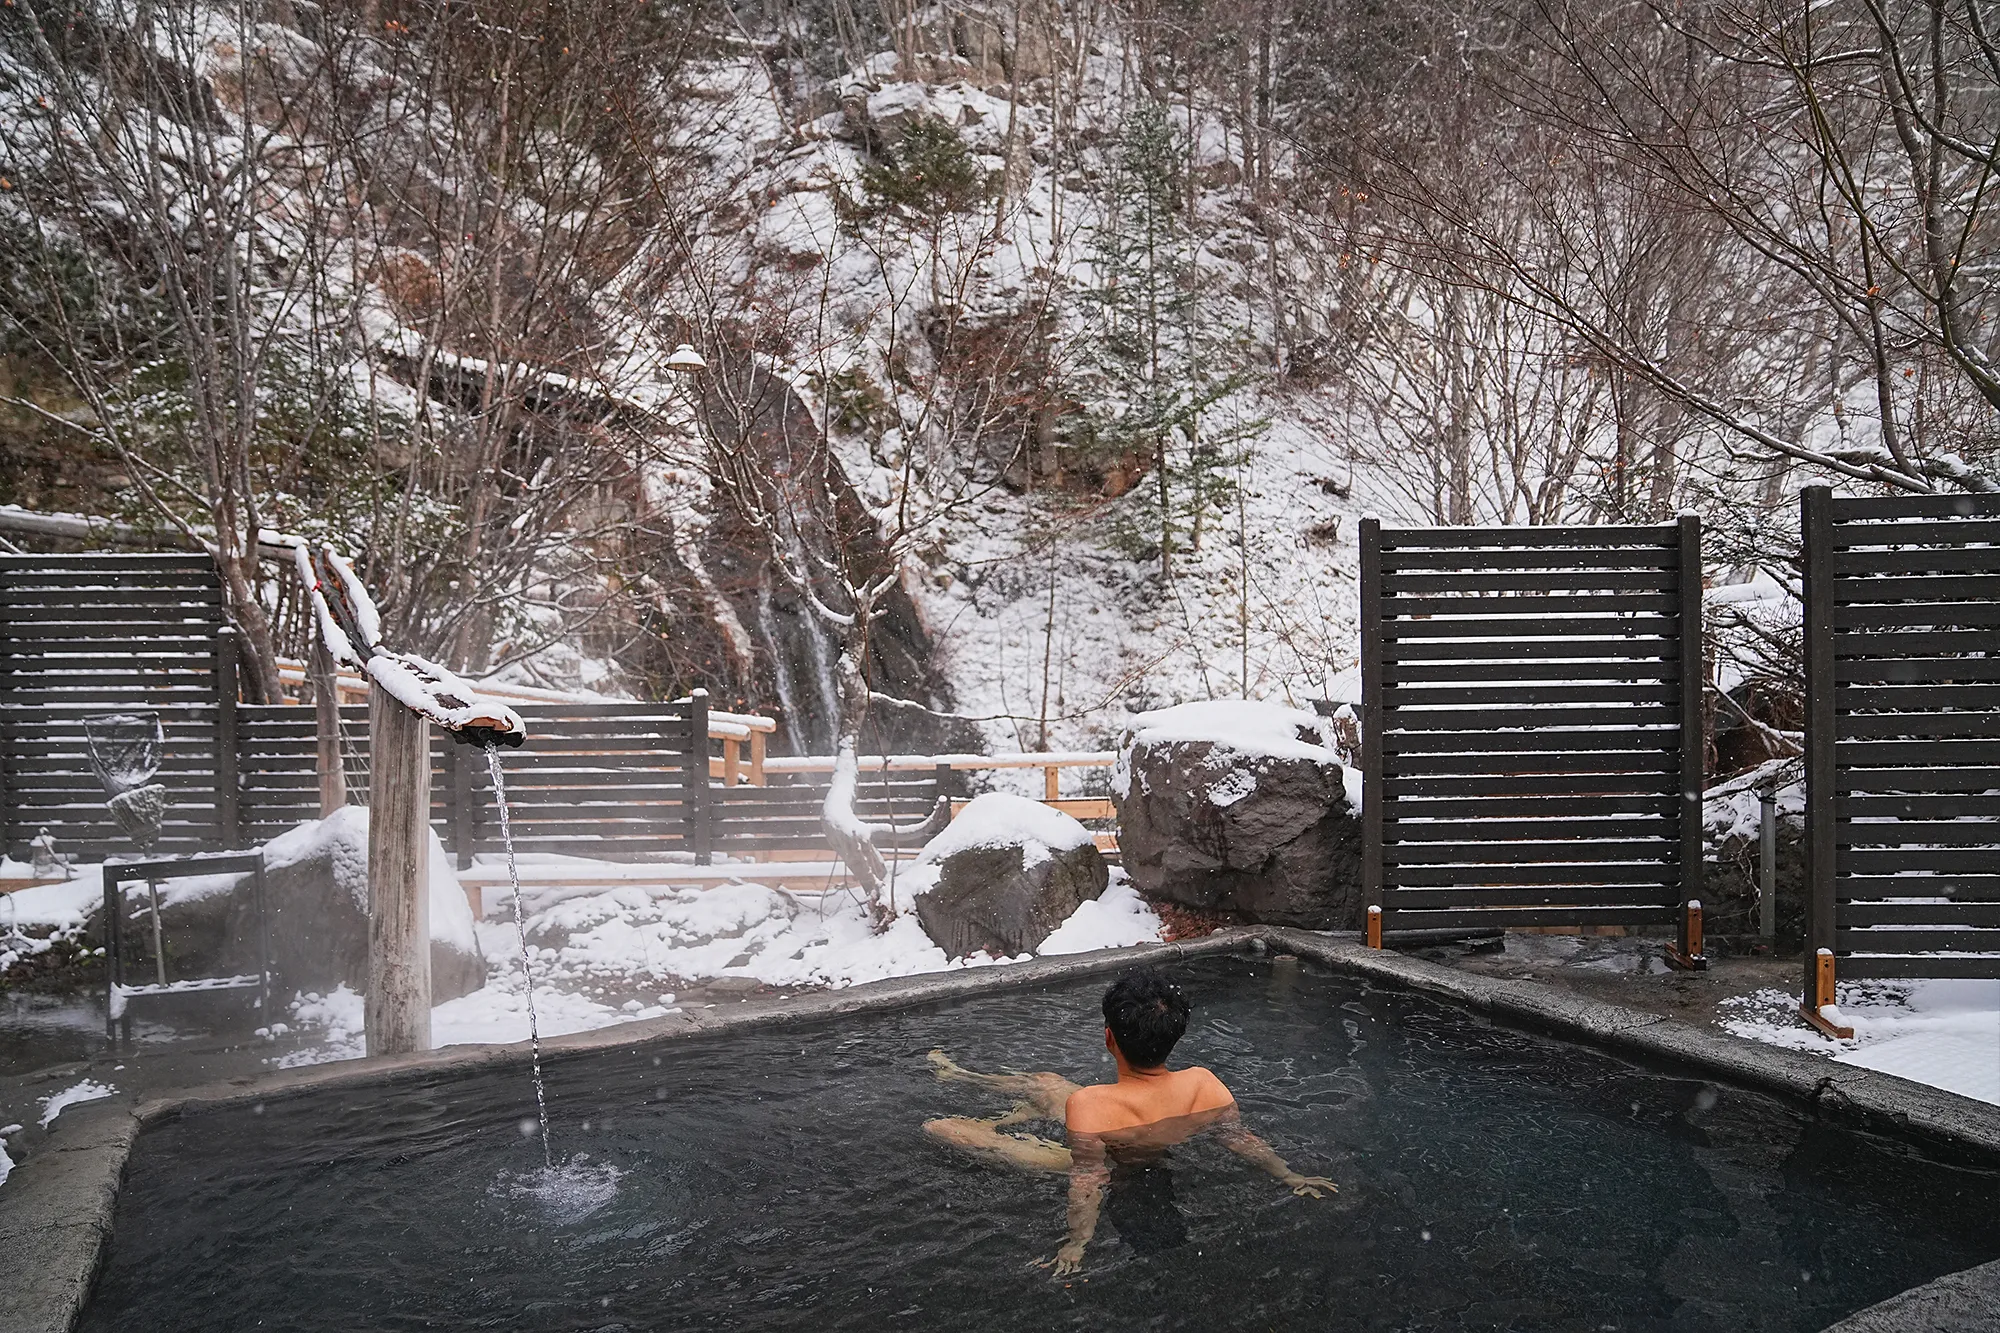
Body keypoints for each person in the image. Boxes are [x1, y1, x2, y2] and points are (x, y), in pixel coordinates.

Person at [922, 968, 1335, 1275]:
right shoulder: (1205, 1084)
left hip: (1120, 1166)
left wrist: (1078, 1241)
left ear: (1108, 1038)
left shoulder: (1090, 1103)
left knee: (938, 1127)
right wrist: (1289, 1175)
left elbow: (1087, 1177)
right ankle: (960, 1076)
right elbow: (1239, 1138)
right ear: (1177, 1033)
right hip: (1135, 1130)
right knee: (1047, 1084)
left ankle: (997, 1117)